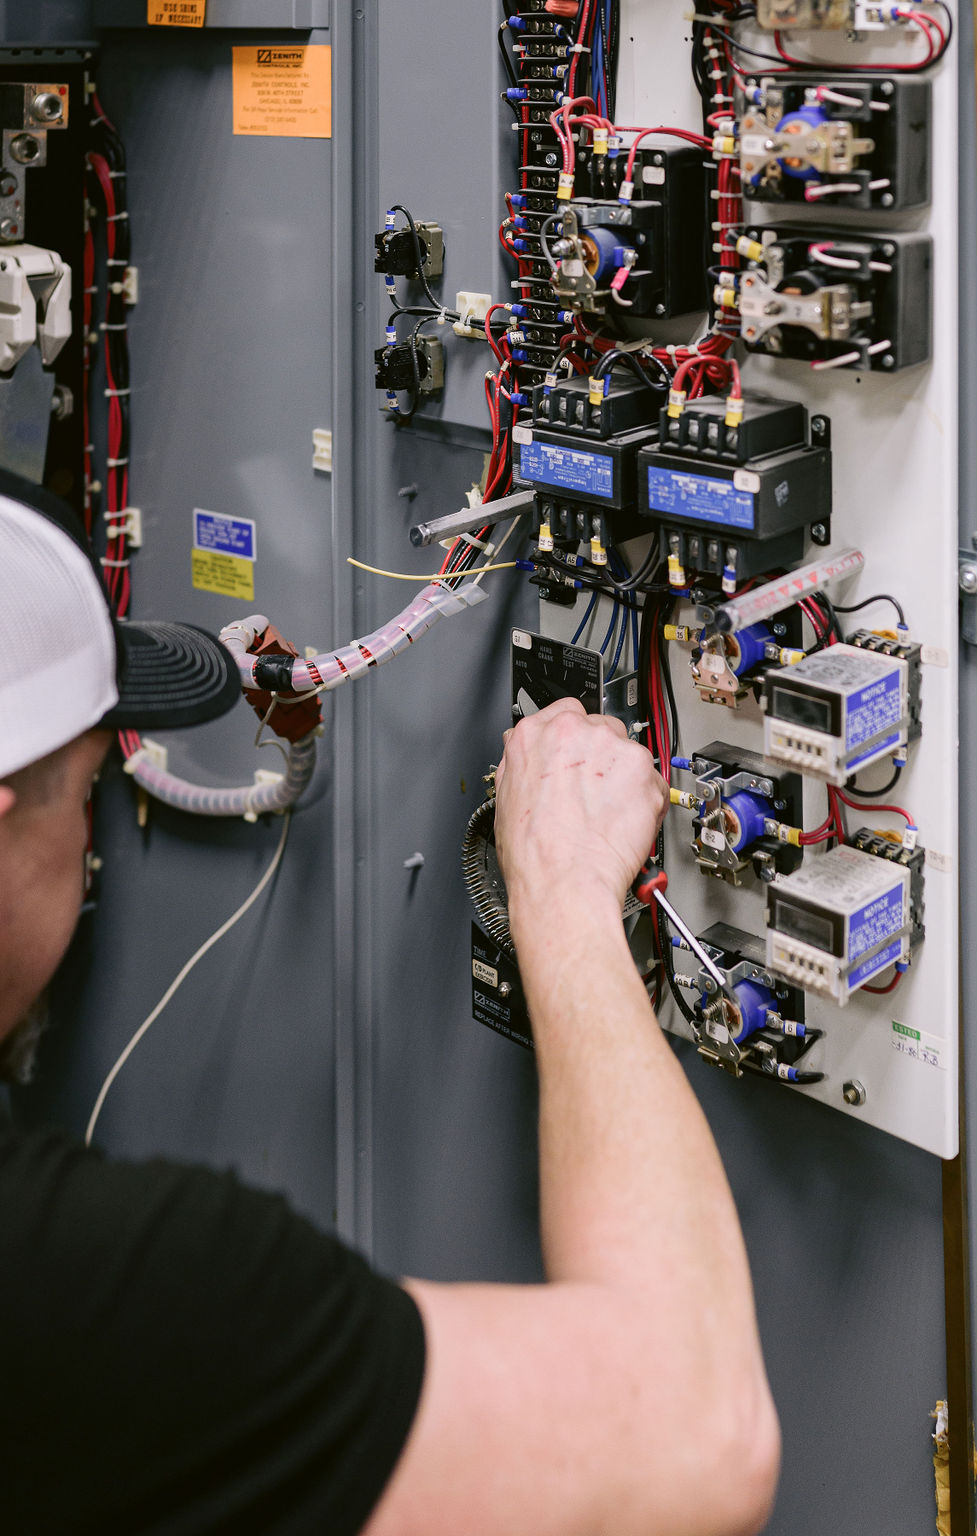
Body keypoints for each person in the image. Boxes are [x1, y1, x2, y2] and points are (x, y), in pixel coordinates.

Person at [0, 471, 780, 1535]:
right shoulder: (93, 1289)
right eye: (88, 785)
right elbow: (698, 1426)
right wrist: (557, 887)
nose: (89, 843)